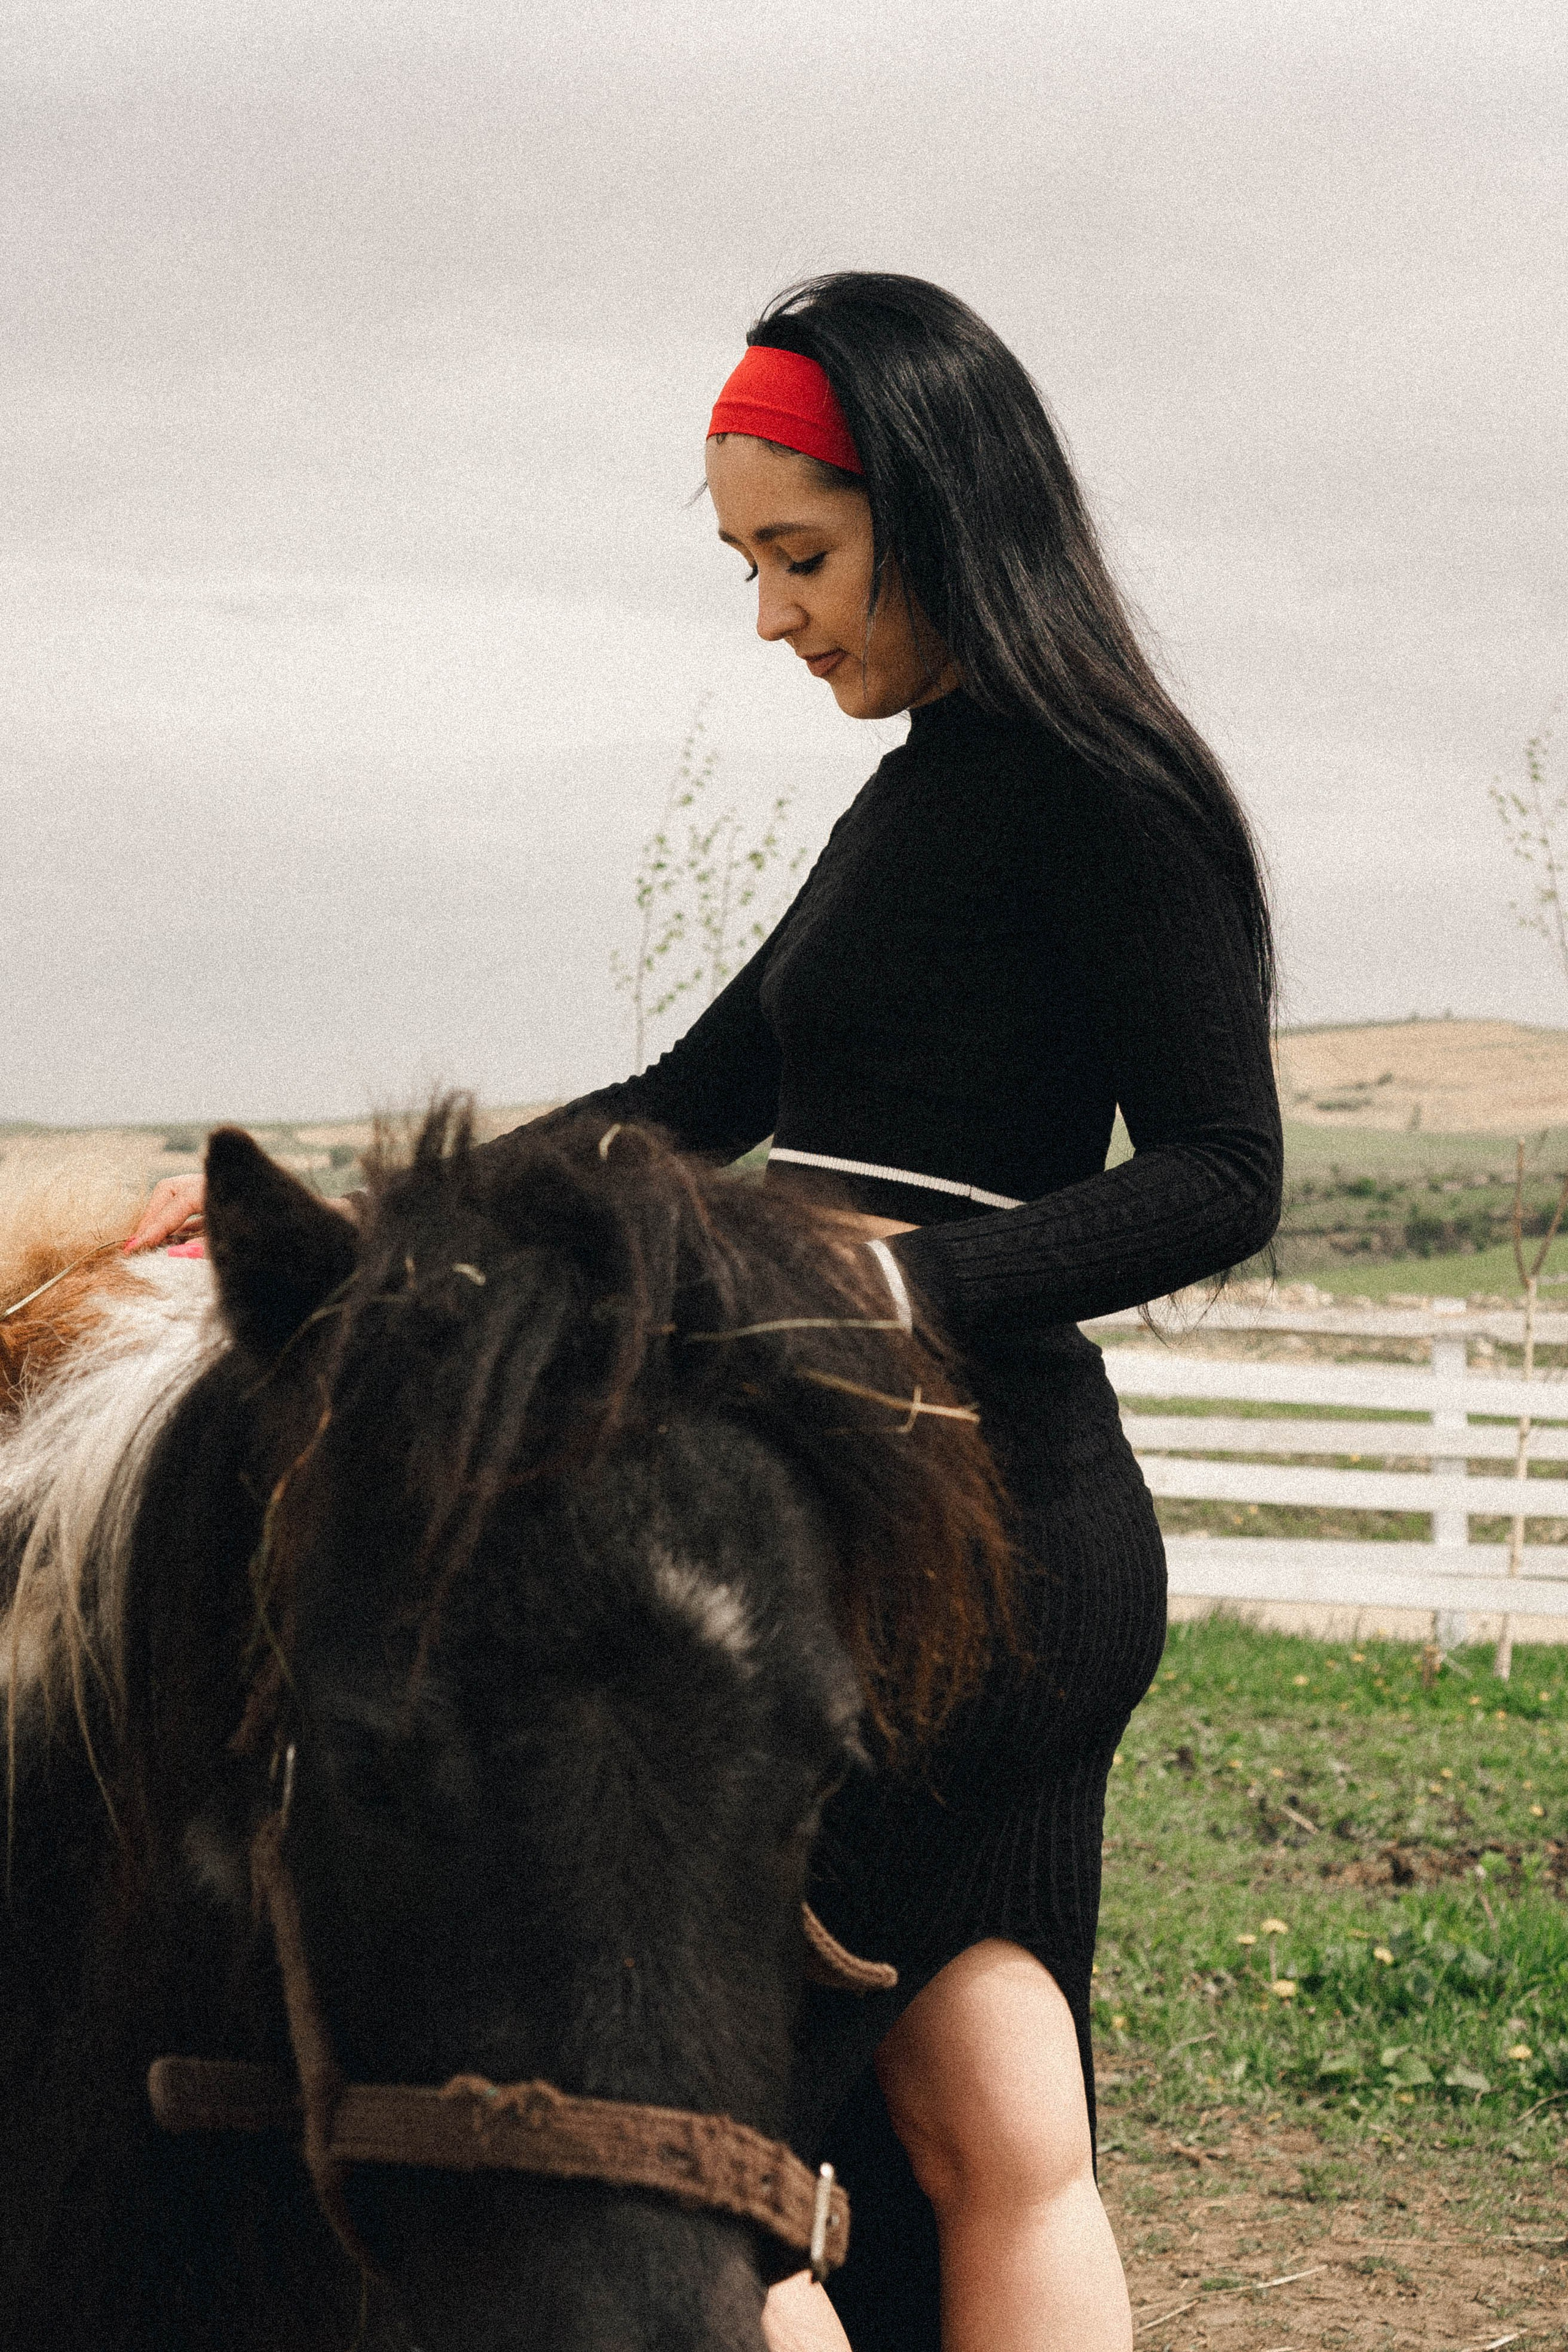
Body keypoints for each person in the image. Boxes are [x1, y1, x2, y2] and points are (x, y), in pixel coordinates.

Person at [128, 272, 1282, 2352]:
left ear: (944, 512)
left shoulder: (1107, 788)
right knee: (999, 2108)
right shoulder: (933, 789)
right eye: (750, 564)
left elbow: (1227, 1172)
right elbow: (695, 1103)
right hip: (935, 1517)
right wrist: (379, 1227)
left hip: (958, 1537)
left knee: (739, 2156)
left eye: (807, 558)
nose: (774, 617)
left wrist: (880, 1293)